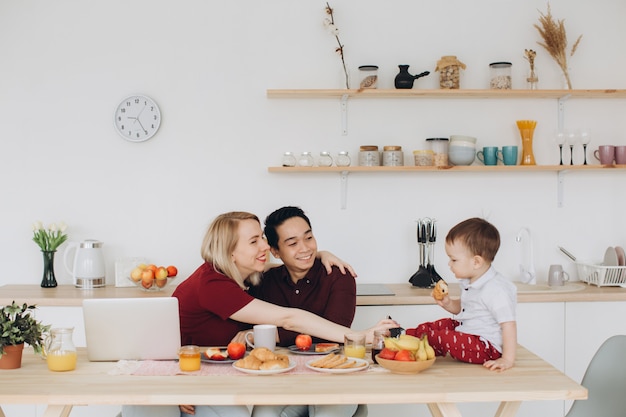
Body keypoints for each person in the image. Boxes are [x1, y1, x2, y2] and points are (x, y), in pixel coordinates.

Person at [171, 211, 398, 417]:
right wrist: (362, 336)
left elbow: (279, 267)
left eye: (262, 237)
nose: (265, 246)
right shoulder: (215, 285)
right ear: (231, 253)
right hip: (190, 378)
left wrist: (320, 254)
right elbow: (289, 318)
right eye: (254, 241)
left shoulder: (242, 276)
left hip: (217, 374)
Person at [248, 206, 359, 417]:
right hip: (284, 379)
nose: (305, 248)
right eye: (292, 243)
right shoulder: (265, 282)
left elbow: (334, 333)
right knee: (264, 413)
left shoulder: (338, 276)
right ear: (275, 251)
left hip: (334, 377)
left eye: (308, 238)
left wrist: (276, 334)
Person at [405, 217, 517, 372]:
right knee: (439, 325)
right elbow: (465, 309)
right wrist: (449, 303)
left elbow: (509, 325)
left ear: (476, 262)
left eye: (453, 260)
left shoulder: (496, 290)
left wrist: (507, 359)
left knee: (442, 337)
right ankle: (403, 337)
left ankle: (415, 346)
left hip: (485, 346)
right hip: (468, 329)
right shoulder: (470, 281)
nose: (449, 264)